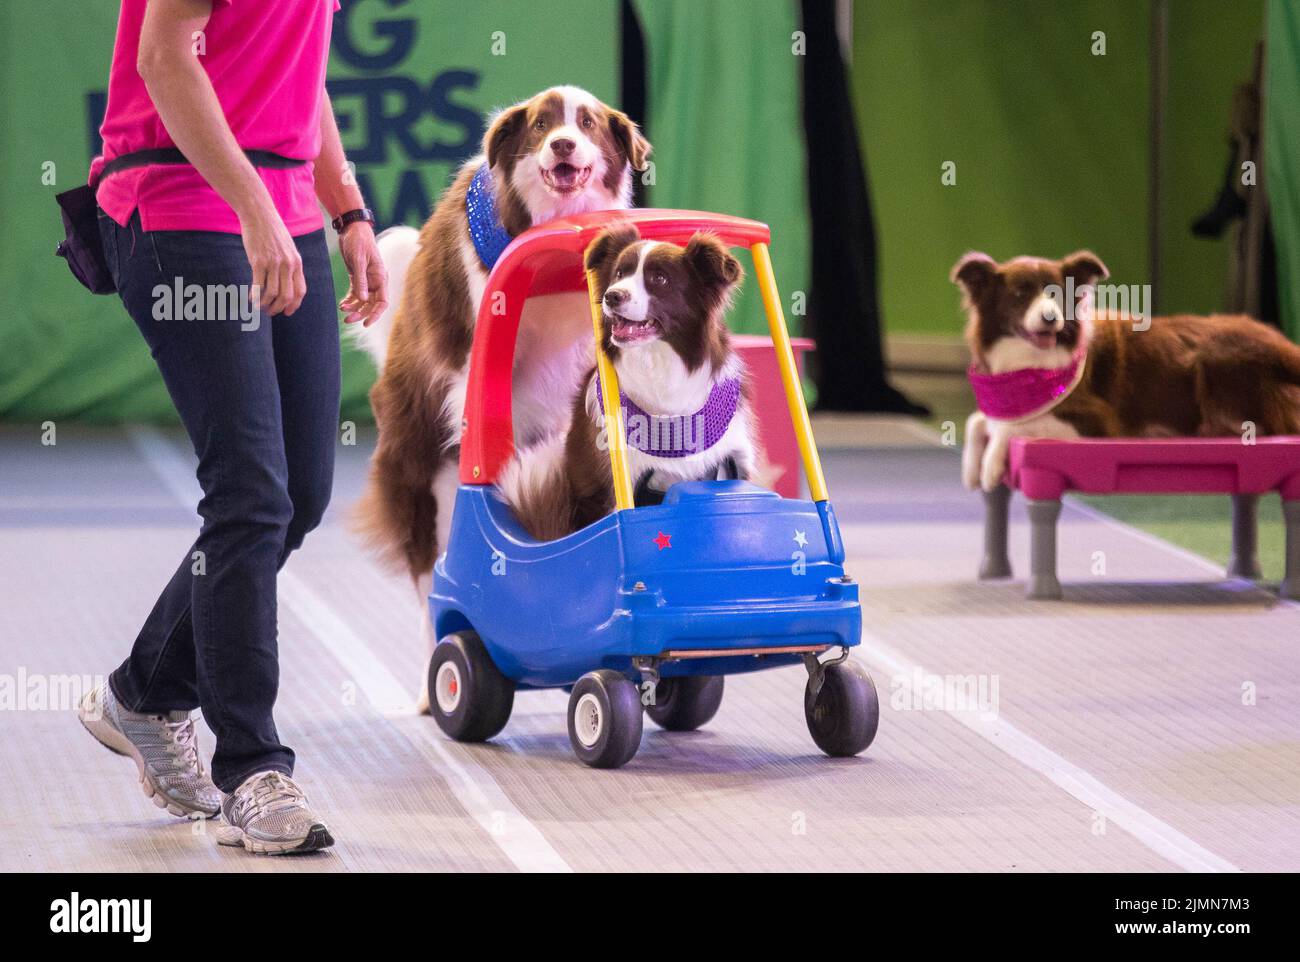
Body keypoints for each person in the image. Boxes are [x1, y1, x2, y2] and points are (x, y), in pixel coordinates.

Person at [76, 0, 386, 855]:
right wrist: (251, 206)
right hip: (179, 200)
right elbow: (164, 57)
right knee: (250, 492)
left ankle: (143, 691)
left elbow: (298, 75)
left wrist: (347, 209)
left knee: (300, 494)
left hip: (281, 204)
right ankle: (250, 769)